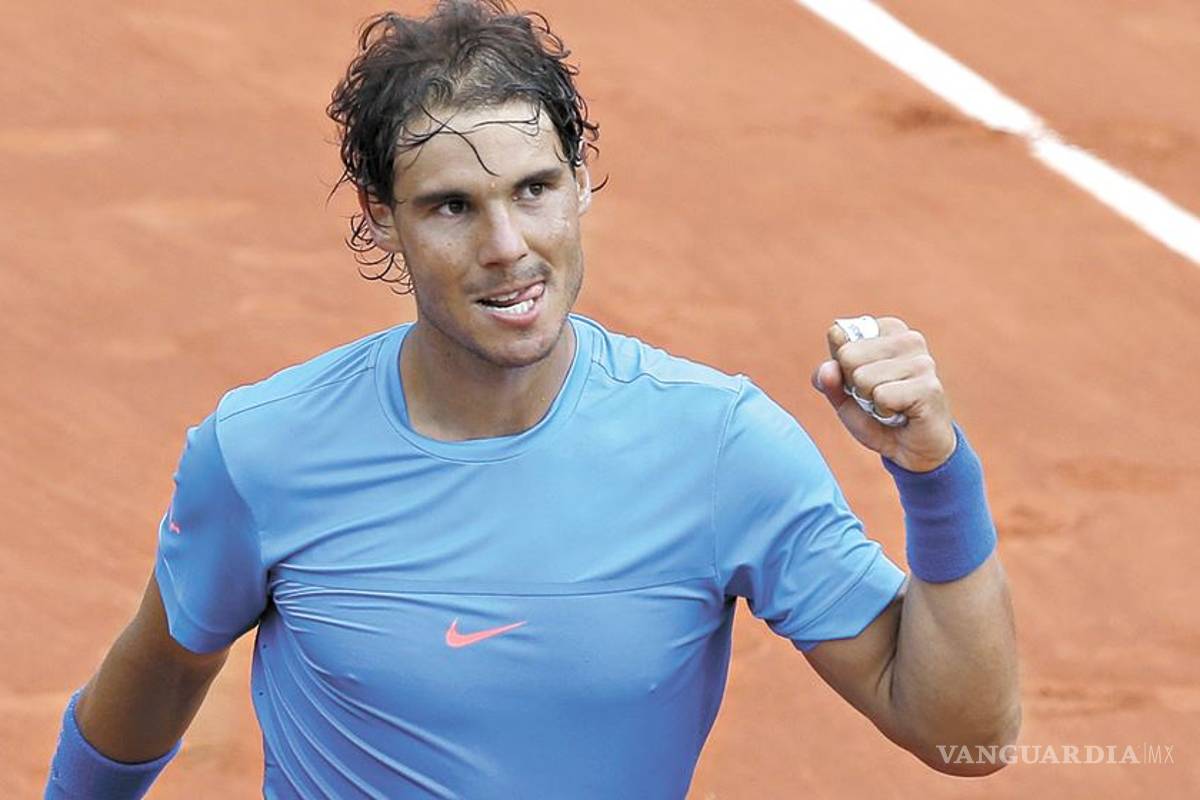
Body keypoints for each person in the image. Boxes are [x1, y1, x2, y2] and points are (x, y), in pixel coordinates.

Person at [44, 1, 1020, 797]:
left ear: (582, 182)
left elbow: (963, 735)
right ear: (381, 221)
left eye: (535, 188)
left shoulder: (719, 447)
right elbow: (164, 666)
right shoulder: (261, 453)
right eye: (452, 205)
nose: (507, 244)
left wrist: (935, 472)